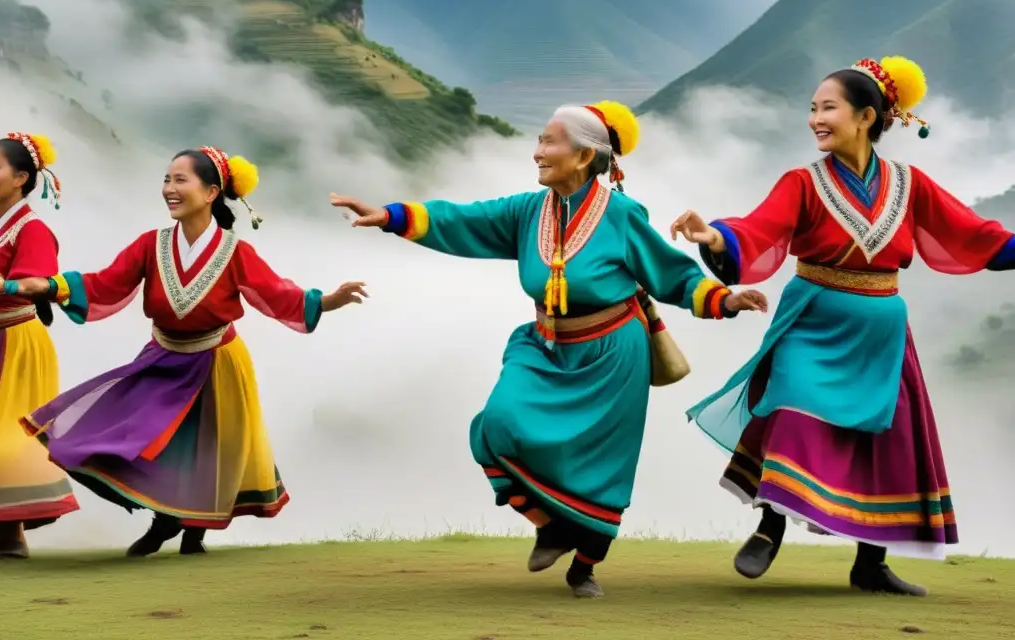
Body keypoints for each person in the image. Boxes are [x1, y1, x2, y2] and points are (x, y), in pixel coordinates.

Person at [331, 101, 767, 598]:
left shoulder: (622, 216)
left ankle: (584, 568)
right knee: (497, 425)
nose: (537, 151)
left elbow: (672, 275)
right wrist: (388, 215)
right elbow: (461, 220)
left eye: (549, 142)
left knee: (603, 468)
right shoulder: (526, 211)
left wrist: (724, 298)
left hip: (613, 357)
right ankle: (550, 525)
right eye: (538, 140)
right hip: (544, 345)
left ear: (583, 156)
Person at [671, 56, 1015, 597]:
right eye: (812, 109)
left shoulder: (910, 183)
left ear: (866, 116)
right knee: (791, 409)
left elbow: (973, 234)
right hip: (813, 319)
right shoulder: (802, 182)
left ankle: (870, 563)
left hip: (881, 333)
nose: (815, 119)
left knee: (883, 436)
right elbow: (758, 227)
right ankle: (769, 527)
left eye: (827, 107)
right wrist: (714, 237)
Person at [3, 146, 367, 557]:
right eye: (166, 180)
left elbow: (275, 292)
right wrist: (51, 286)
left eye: (180, 180)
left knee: (209, 448)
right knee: (143, 438)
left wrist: (328, 301)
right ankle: (166, 519)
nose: (169, 189)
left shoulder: (234, 251)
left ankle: (193, 531)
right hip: (163, 357)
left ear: (211, 192)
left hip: (217, 360)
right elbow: (106, 283)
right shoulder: (150, 245)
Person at [0, 132, 78, 558]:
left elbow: (38, 281)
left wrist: (4, 284)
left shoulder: (33, 228)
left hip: (13, 343)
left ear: (20, 177)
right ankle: (6, 536)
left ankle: (9, 536)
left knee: (6, 439)